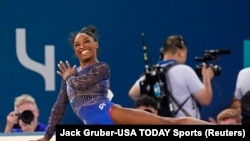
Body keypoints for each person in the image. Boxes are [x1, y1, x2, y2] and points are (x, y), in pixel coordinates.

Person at [35, 25, 214, 141]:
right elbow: (59, 106)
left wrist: (68, 77)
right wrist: (47, 136)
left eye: (86, 41)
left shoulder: (100, 68)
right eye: (77, 44)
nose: (82, 46)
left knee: (167, 124)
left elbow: (81, 84)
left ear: (95, 44)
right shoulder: (72, 75)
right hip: (94, 126)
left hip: (111, 114)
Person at [129, 35, 215, 118]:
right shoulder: (184, 70)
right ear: (180, 52)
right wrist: (206, 77)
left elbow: (133, 93)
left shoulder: (153, 73)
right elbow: (205, 99)